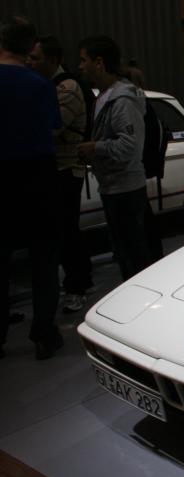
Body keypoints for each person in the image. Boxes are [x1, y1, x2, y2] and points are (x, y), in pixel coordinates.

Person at [0, 16, 63, 360]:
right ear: (29, 46)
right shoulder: (41, 85)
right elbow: (52, 128)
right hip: (38, 176)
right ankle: (43, 333)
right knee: (44, 260)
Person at [77, 35, 157, 282]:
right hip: (113, 186)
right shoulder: (104, 96)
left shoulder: (122, 100)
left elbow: (130, 146)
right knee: (125, 252)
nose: (80, 66)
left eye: (84, 60)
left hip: (125, 189)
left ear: (99, 62)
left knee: (135, 256)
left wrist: (95, 147)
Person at [28, 35, 94, 313]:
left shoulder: (67, 87)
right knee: (62, 230)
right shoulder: (48, 85)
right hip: (57, 168)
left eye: (36, 58)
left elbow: (52, 128)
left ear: (53, 60)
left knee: (67, 231)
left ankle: (77, 286)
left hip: (67, 169)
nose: (30, 62)